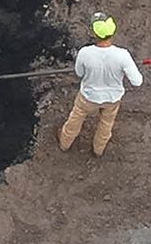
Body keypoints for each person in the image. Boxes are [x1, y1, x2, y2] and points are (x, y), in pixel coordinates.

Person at [59, 14, 144, 156]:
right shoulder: (123, 55)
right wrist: (127, 67)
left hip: (88, 97)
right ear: (112, 31)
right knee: (106, 124)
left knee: (76, 118)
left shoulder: (85, 53)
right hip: (112, 99)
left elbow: (79, 73)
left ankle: (64, 143)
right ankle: (98, 150)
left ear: (93, 33)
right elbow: (137, 82)